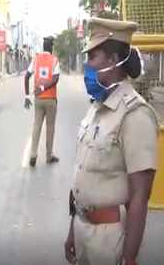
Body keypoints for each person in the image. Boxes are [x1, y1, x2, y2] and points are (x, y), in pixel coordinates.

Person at [64, 18, 158, 265]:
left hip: (109, 239)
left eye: (93, 57)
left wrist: (129, 258)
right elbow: (83, 173)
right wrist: (72, 231)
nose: (88, 65)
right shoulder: (96, 107)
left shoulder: (135, 114)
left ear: (113, 61)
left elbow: (140, 196)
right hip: (82, 228)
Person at [24, 36, 60, 167]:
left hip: (38, 100)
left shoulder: (36, 59)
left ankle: (33, 154)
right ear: (51, 47)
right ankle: (49, 156)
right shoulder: (55, 60)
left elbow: (27, 76)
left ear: (43, 46)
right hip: (50, 99)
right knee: (50, 128)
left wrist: (27, 96)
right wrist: (44, 87)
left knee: (37, 126)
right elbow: (55, 79)